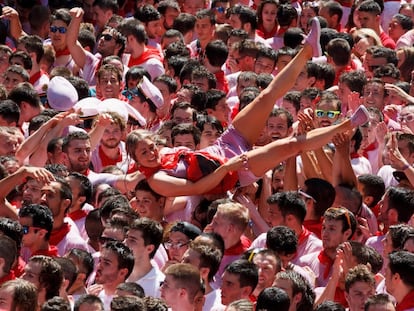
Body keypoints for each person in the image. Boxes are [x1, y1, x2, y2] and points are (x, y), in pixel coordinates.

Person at [124, 217, 165, 298]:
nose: (125, 243)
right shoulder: (116, 274)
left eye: (132, 240)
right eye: (126, 237)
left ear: (149, 248)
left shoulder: (160, 286)